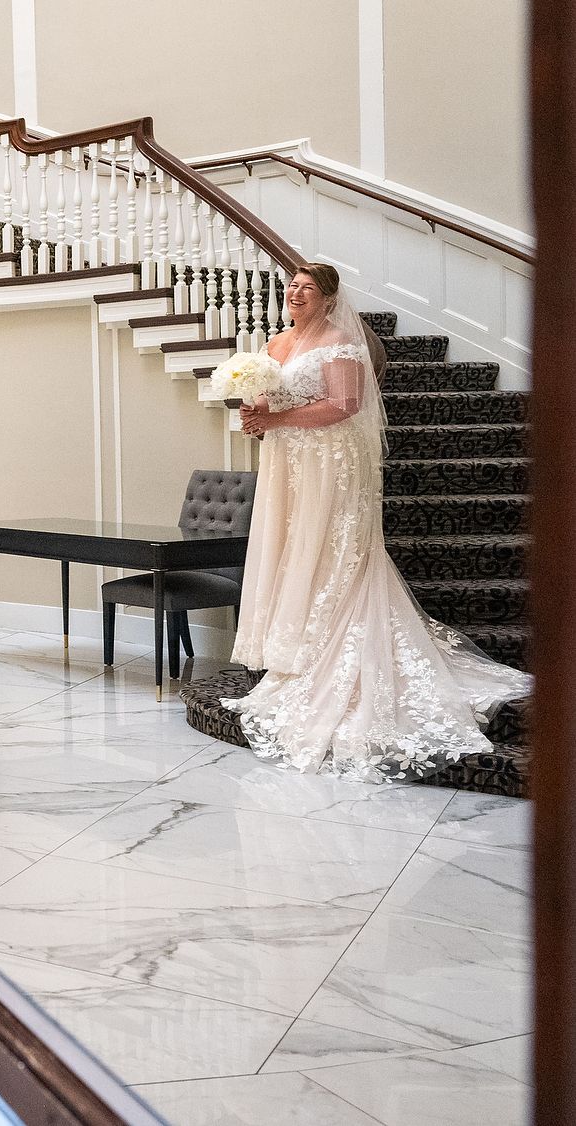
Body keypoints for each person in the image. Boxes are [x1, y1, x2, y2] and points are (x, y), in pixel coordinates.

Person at [225, 263, 531, 782]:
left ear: (327, 299)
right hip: (288, 463)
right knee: (290, 548)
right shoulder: (276, 344)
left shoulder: (343, 343)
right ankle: (290, 653)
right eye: (291, 286)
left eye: (307, 288)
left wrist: (274, 419)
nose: (295, 294)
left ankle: (329, 652)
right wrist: (253, 414)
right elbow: (268, 399)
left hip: (332, 463)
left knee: (330, 551)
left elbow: (346, 405)